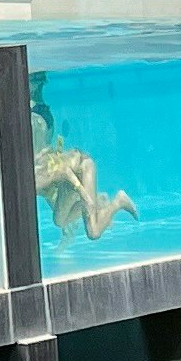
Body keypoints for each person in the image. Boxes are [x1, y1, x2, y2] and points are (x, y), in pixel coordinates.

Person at [28, 81, 135, 242]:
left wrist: (84, 195)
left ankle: (118, 201)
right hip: (68, 181)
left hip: (83, 167)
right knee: (58, 221)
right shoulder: (29, 186)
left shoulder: (32, 180)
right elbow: (52, 193)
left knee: (93, 232)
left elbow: (64, 171)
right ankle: (99, 201)